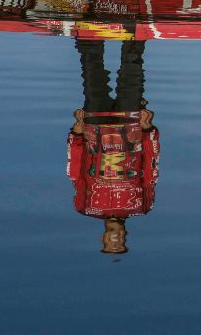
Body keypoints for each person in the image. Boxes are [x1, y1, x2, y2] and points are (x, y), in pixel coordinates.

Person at [66, 38, 159, 254]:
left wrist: (77, 134)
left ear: (103, 239)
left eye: (111, 244)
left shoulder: (85, 207)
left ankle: (89, 34)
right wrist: (149, 131)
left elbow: (75, 174)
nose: (116, 240)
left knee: (91, 70)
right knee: (133, 68)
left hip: (95, 128)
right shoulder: (142, 208)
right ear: (126, 237)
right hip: (131, 127)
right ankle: (134, 30)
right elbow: (150, 173)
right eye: (120, 244)